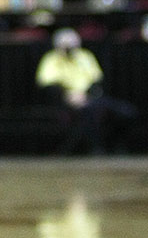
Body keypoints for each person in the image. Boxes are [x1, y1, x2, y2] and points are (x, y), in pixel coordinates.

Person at [36, 27, 136, 155]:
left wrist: (87, 95)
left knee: (126, 112)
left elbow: (97, 80)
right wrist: (67, 95)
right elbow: (47, 84)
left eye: (72, 45)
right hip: (66, 100)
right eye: (66, 46)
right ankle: (97, 149)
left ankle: (117, 146)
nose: (69, 49)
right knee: (89, 113)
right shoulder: (51, 59)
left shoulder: (85, 56)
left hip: (91, 98)